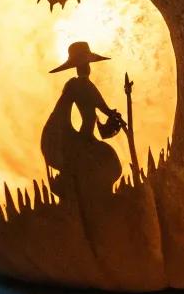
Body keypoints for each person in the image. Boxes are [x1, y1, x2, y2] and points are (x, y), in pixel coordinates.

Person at [40, 42, 124, 203]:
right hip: (82, 138)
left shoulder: (78, 85)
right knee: (108, 162)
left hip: (85, 136)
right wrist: (112, 114)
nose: (87, 67)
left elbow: (100, 107)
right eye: (86, 64)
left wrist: (110, 114)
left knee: (109, 163)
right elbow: (102, 107)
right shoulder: (80, 85)